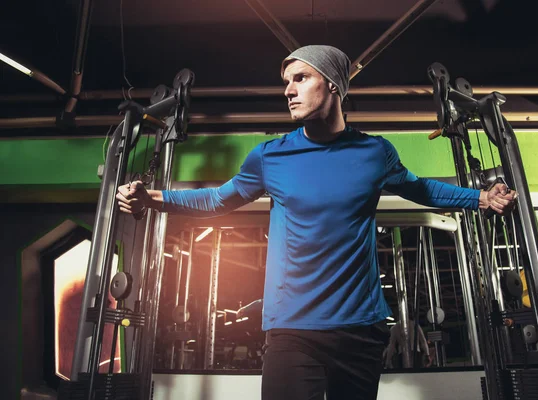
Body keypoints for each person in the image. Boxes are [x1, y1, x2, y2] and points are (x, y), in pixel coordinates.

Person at [116, 45, 517, 400]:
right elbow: (219, 198)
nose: (288, 90)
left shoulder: (375, 152)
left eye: (301, 78)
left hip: (362, 329)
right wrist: (153, 199)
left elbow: (421, 189)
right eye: (287, 82)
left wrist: (481, 197)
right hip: (294, 331)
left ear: (334, 86)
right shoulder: (270, 156)